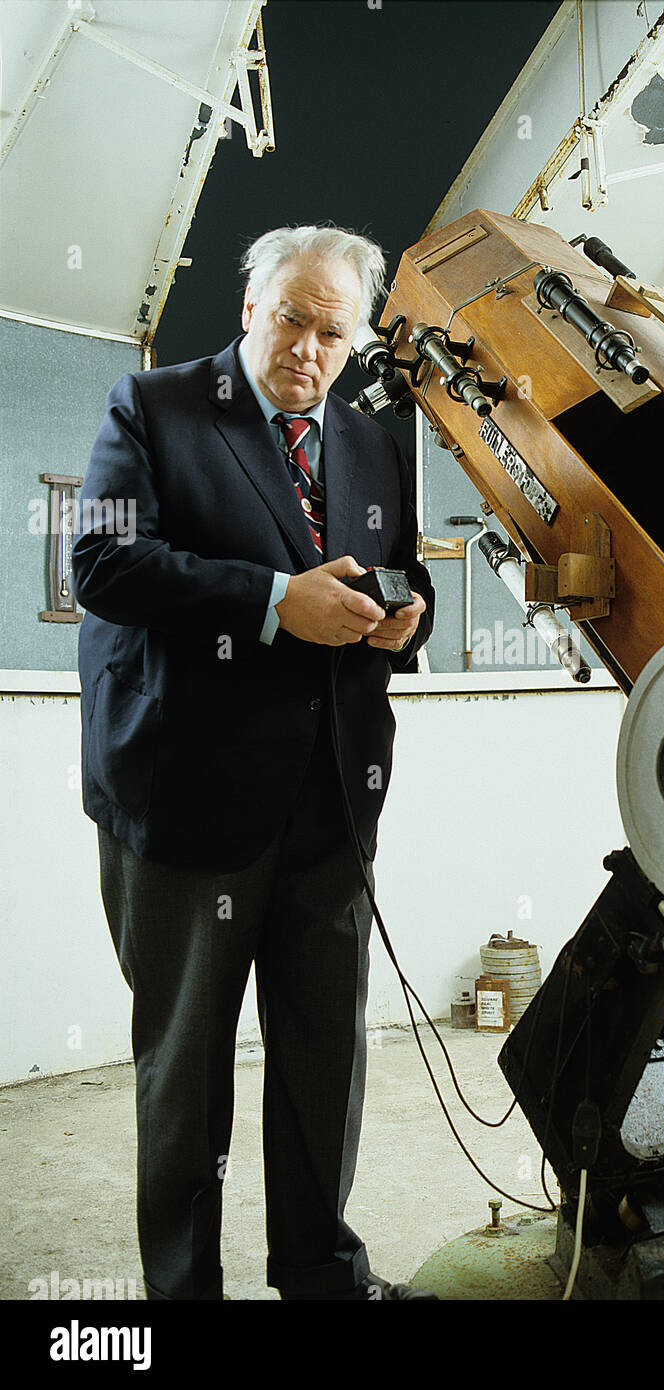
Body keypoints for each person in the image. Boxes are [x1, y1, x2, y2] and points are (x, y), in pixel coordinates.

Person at [72, 224, 436, 1301]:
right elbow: (98, 559)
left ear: (357, 341)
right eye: (292, 318)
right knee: (186, 1076)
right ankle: (184, 1292)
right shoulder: (152, 406)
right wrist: (277, 603)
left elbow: (399, 567)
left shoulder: (372, 441)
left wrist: (401, 618)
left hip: (332, 801)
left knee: (327, 1057)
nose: (308, 349)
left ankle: (321, 1271)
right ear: (248, 307)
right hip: (188, 802)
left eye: (333, 332)